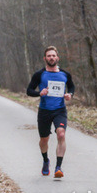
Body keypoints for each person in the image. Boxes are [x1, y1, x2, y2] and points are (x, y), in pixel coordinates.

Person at [26, 47, 74, 178]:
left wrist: (70, 94)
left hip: (60, 110)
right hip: (44, 111)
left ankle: (58, 167)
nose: (51, 58)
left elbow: (72, 86)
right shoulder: (39, 74)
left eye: (53, 55)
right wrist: (39, 93)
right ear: (45, 58)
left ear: (57, 58)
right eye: (49, 56)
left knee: (61, 134)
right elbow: (29, 90)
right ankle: (46, 160)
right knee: (44, 140)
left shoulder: (65, 74)